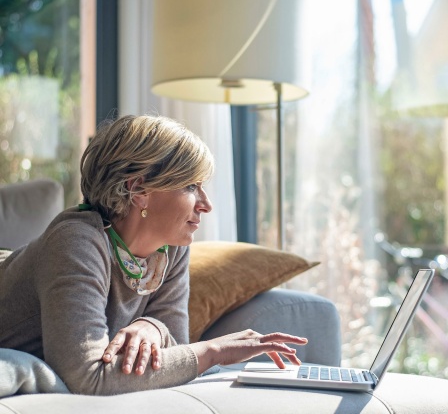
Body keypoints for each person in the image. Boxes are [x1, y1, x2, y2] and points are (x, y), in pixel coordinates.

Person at [0, 114, 307, 395]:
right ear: (138, 190)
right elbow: (88, 378)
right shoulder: (76, 242)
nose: (206, 204)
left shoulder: (169, 248)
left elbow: (174, 350)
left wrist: (153, 326)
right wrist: (214, 351)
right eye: (190, 186)